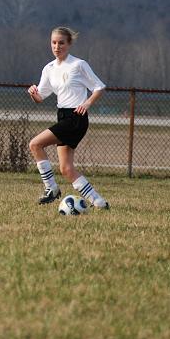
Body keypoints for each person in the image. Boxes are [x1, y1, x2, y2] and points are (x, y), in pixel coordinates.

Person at [27, 26, 110, 209]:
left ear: (69, 44)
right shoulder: (48, 68)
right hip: (63, 116)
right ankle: (99, 202)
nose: (57, 46)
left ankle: (51, 189)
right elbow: (40, 97)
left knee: (35, 144)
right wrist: (33, 93)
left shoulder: (78, 65)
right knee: (66, 169)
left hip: (76, 118)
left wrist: (87, 103)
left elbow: (99, 87)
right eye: (54, 43)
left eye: (61, 43)